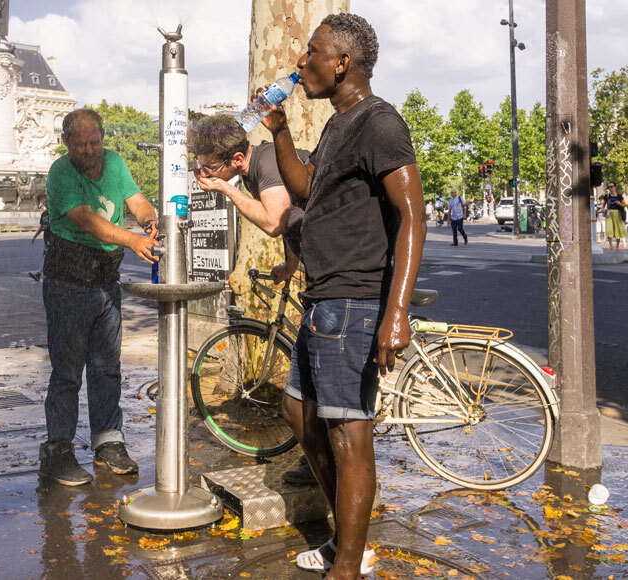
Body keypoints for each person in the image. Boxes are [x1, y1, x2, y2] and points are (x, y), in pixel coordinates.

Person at [261, 13, 424, 578]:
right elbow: (307, 188)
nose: (300, 63)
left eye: (311, 53)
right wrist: (279, 129)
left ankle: (347, 567)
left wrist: (396, 312)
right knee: (297, 412)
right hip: (322, 297)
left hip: (355, 300)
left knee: (348, 434)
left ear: (341, 63)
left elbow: (412, 217)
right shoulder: (338, 125)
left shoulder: (380, 123)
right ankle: (345, 541)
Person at [187, 114, 317, 486]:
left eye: (210, 167)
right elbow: (296, 217)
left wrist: (227, 191)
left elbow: (275, 219)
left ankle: (325, 463)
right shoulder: (252, 169)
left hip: (347, 265)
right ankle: (318, 458)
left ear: (238, 160)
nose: (204, 174)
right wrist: (290, 265)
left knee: (316, 374)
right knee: (311, 376)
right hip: (320, 262)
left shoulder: (266, 161)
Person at [38, 108, 160, 486]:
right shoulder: (61, 172)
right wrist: (132, 239)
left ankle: (108, 441)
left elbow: (136, 201)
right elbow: (89, 221)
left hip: (106, 281)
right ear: (66, 143)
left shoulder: (115, 162)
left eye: (95, 142)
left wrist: (149, 219)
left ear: (104, 138)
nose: (90, 151)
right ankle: (58, 450)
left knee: (107, 366)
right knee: (68, 372)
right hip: (67, 283)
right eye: (81, 144)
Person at [29, 194, 50, 282]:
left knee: (48, 256)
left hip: (54, 237)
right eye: (44, 202)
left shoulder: (54, 212)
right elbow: (41, 227)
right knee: (46, 256)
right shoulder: (44, 214)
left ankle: (40, 273)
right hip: (47, 237)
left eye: (46, 201)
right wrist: (34, 237)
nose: (45, 203)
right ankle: (40, 274)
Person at [605, 183, 628, 251]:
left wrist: (619, 204)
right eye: (609, 187)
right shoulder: (607, 196)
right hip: (609, 213)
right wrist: (603, 209)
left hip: (617, 213)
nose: (610, 188)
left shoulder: (619, 196)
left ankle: (618, 246)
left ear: (615, 187)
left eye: (611, 187)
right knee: (609, 229)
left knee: (617, 229)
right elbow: (603, 205)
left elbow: (625, 205)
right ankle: (610, 245)